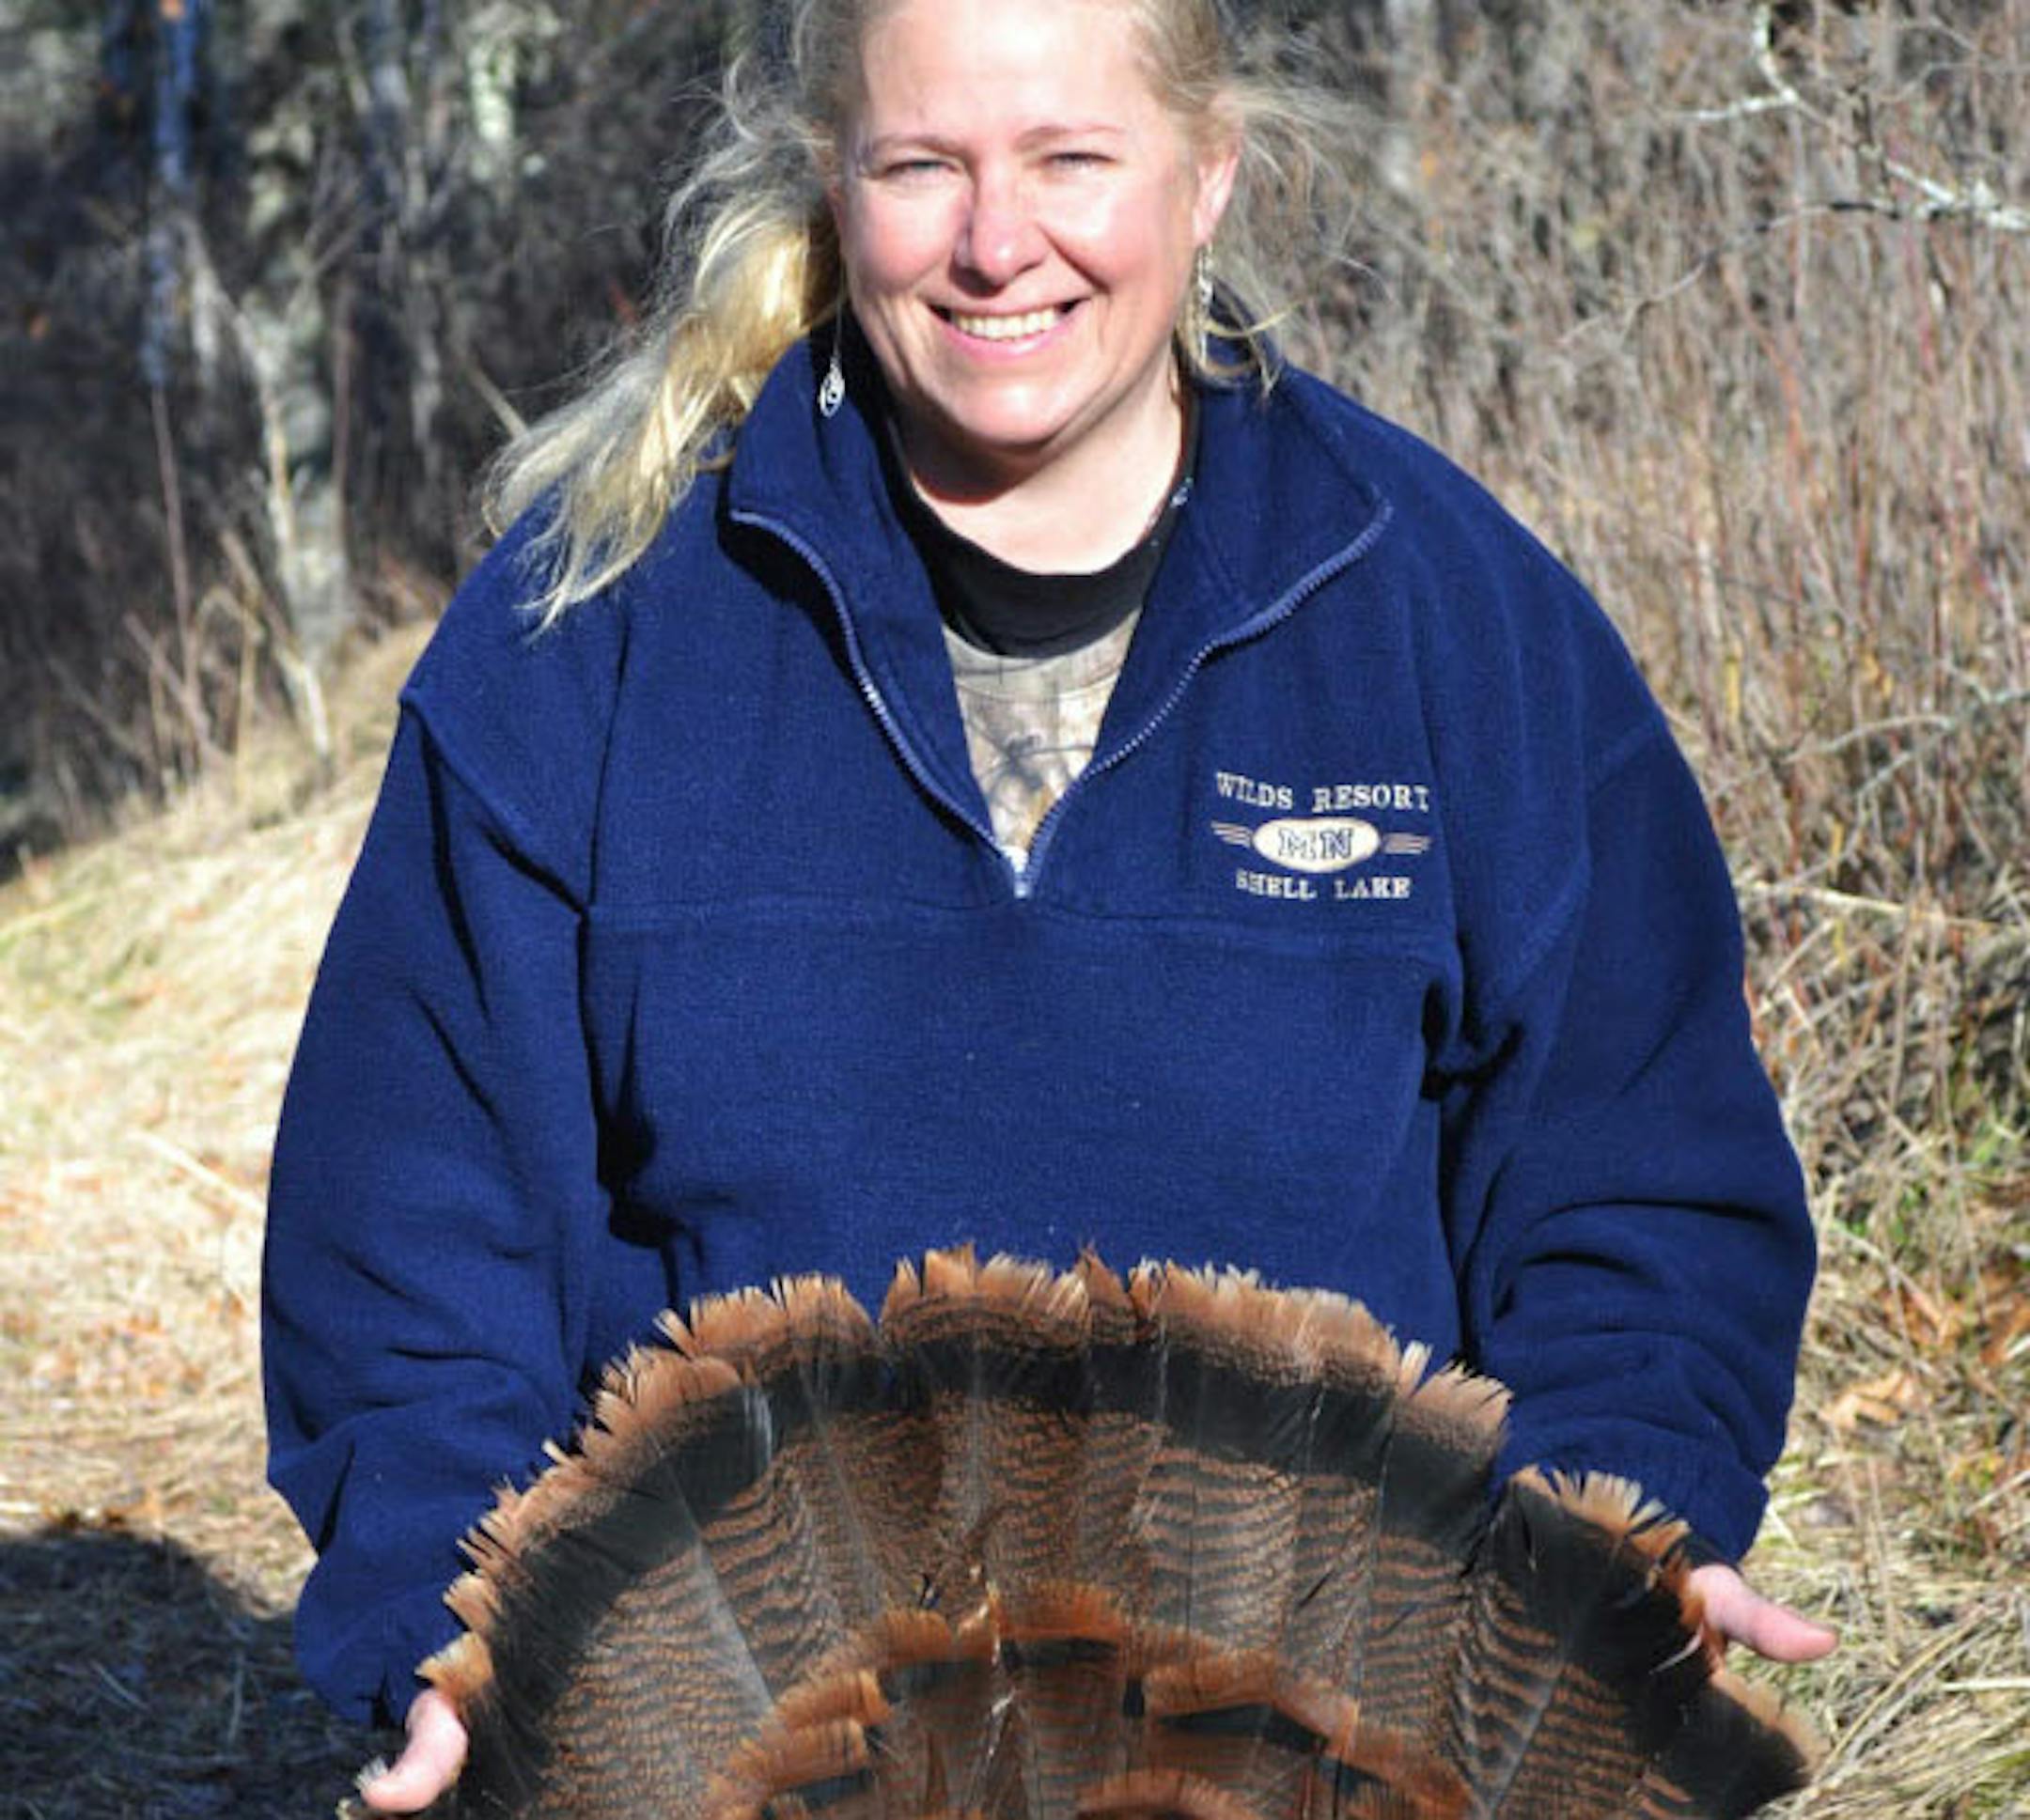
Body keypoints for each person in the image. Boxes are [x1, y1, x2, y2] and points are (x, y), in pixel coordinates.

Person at [262, 0, 1836, 1808]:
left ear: (1210, 172)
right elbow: (410, 1223)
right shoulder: (590, 638)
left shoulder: (1457, 625)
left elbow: (1633, 1178)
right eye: (923, 165)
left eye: (1071, 158)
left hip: (1332, 1736)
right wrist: (465, 1631)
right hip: (747, 1751)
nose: (998, 243)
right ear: (833, 188)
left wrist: (1623, 1526)